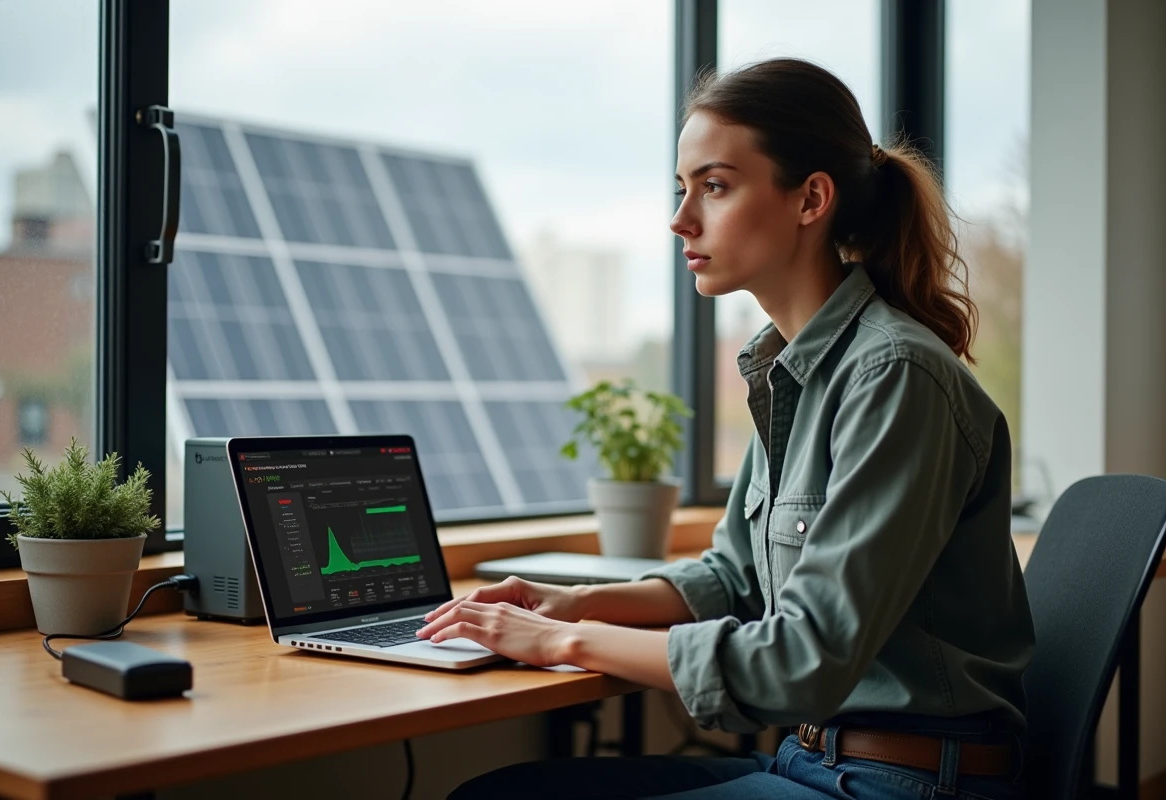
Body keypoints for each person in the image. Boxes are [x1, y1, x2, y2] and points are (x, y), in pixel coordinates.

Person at [417, 57, 1035, 800]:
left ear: (811, 199)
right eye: (682, 189)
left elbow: (800, 658)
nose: (681, 219)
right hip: (815, 761)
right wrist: (573, 600)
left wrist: (564, 641)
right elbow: (734, 578)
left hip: (900, 782)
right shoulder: (789, 371)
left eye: (714, 186)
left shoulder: (894, 376)